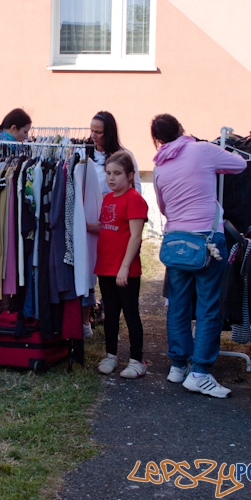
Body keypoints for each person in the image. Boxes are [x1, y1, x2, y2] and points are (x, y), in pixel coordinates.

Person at [152, 113, 246, 398]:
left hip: (176, 240)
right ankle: (200, 372)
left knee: (177, 305)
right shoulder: (202, 150)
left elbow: (164, 207)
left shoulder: (159, 167)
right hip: (208, 240)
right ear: (181, 128)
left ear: (157, 139)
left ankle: (178, 365)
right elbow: (240, 164)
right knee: (208, 307)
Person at [89, 151, 148, 378]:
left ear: (130, 175)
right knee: (111, 313)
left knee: (130, 313)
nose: (111, 178)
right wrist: (81, 224)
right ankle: (111, 355)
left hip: (125, 270)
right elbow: (105, 226)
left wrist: (124, 267)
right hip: (105, 267)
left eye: (117, 174)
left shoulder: (134, 199)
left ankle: (137, 360)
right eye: (108, 174)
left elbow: (135, 236)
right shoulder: (107, 199)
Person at [89, 111, 142, 196]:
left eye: (98, 132)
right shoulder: (82, 154)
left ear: (109, 133)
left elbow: (136, 188)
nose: (93, 135)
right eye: (91, 131)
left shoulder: (125, 155)